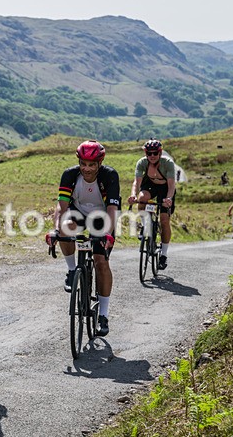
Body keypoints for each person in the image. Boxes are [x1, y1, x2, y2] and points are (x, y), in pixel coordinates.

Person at [45, 140, 120, 337]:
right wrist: (55, 230)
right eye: (83, 164)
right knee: (65, 227)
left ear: (99, 164)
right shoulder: (70, 175)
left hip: (102, 219)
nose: (86, 169)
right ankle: (71, 270)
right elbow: (61, 208)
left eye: (91, 165)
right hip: (77, 213)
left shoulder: (109, 176)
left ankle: (103, 314)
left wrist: (108, 234)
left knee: (101, 262)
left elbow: (112, 210)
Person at [126, 138, 176, 270]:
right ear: (146, 154)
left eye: (155, 153)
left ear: (160, 153)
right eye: (149, 153)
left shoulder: (168, 163)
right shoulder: (142, 163)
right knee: (142, 198)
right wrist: (133, 195)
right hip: (150, 186)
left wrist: (169, 199)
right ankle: (144, 225)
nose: (152, 156)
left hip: (165, 189)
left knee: (164, 220)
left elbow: (171, 185)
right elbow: (137, 183)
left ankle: (163, 255)